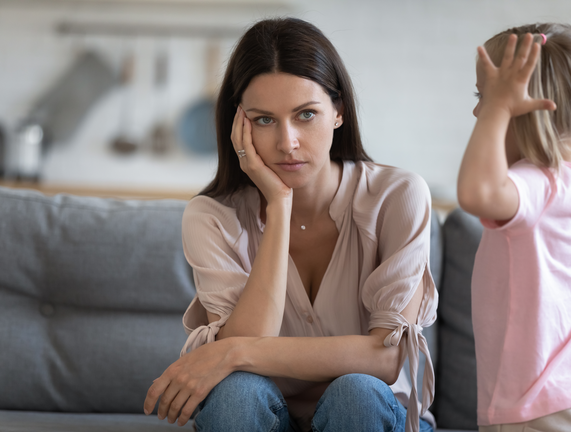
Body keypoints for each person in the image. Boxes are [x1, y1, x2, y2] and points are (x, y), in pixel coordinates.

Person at [143, 18, 437, 432]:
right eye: (264, 120)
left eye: (306, 114)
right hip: (261, 414)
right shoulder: (211, 216)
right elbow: (239, 365)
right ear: (238, 125)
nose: (287, 143)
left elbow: (385, 358)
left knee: (355, 393)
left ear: (338, 111)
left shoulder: (397, 196)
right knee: (236, 395)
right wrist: (279, 205)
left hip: (368, 416)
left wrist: (233, 352)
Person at [457, 24, 571, 431]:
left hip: (535, 413)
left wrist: (497, 110)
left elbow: (475, 192)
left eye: (485, 97)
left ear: (526, 109)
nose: (479, 112)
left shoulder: (537, 187)